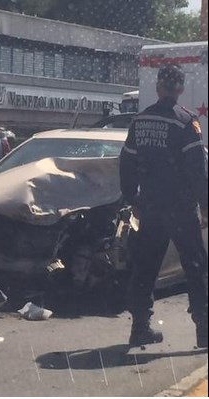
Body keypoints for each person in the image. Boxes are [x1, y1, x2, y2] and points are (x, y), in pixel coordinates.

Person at [120, 64, 208, 348]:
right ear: (180, 89)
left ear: (159, 87)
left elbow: (127, 163)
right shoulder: (185, 121)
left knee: (145, 267)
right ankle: (204, 331)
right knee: (196, 267)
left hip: (151, 208)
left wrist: (132, 199)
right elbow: (198, 170)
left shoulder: (140, 121)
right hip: (181, 208)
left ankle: (140, 327)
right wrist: (205, 205)